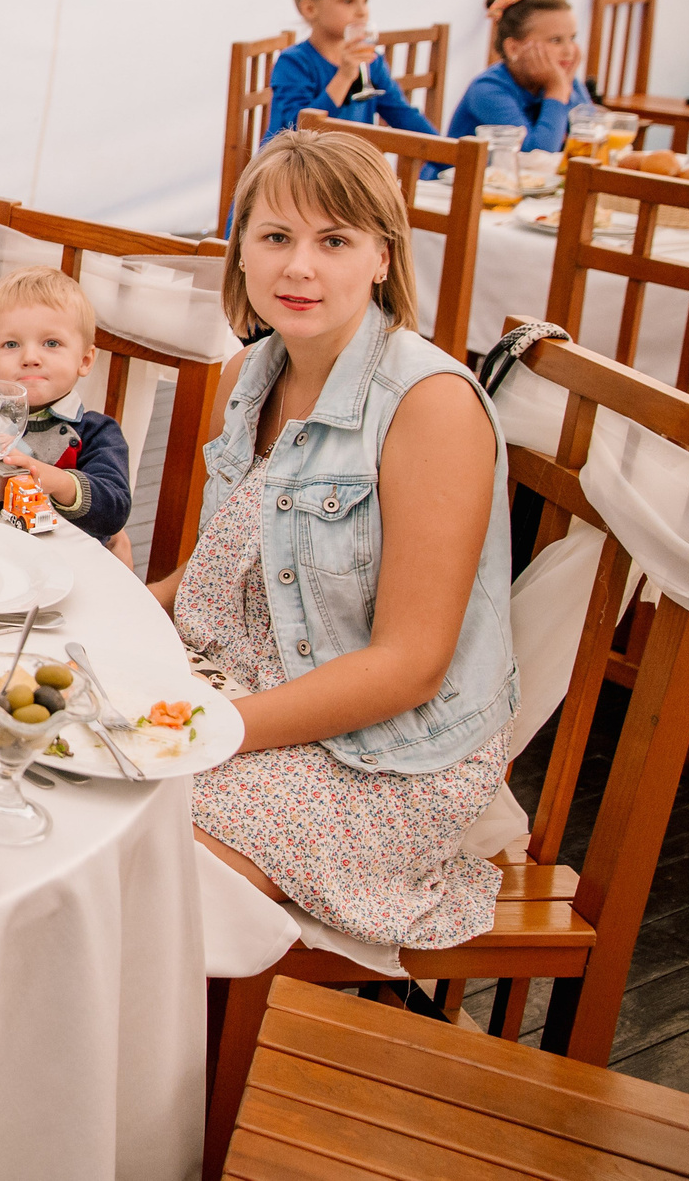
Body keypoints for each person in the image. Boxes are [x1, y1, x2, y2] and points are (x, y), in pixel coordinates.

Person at [154, 127, 514, 950]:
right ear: (242, 250)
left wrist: (216, 727)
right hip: (251, 679)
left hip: (383, 756)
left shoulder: (430, 405)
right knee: (62, 770)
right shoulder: (253, 374)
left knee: (136, 843)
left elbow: (411, 665)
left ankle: (183, 1060)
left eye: (335, 240)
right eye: (275, 236)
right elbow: (227, 564)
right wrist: (119, 617)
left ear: (383, 257)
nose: (299, 266)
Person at [0, 265, 135, 564]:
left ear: (84, 360)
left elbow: (114, 511)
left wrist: (52, 479)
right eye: (12, 344)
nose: (30, 358)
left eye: (51, 343)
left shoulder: (97, 432)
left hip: (70, 563)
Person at [264, 0, 440, 143]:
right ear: (310, 9)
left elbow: (403, 115)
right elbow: (300, 133)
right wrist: (345, 76)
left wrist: (451, 156)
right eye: (348, 1)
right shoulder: (293, 63)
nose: (362, 11)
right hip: (292, 169)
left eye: (365, 0)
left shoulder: (371, 60)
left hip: (343, 167)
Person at [448, 0, 592, 150]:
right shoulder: (487, 89)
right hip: (457, 176)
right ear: (513, 48)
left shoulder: (562, 79)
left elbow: (588, 138)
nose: (569, 51)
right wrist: (557, 91)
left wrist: (565, 88)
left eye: (572, 38)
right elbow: (536, 154)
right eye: (555, 40)